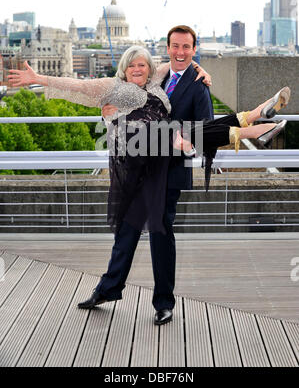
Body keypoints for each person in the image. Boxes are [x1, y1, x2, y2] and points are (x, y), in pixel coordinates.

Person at [8, 45, 290, 326]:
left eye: (142, 65)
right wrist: (41, 79)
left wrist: (198, 68)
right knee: (131, 227)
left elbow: (174, 64)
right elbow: (81, 86)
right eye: (132, 65)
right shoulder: (116, 88)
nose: (138, 69)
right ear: (124, 69)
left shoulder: (154, 84)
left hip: (160, 162)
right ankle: (254, 122)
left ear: (149, 68)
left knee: (153, 227)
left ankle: (150, 300)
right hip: (136, 161)